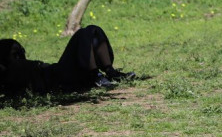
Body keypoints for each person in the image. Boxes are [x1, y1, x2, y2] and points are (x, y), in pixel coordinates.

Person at [0, 25, 133, 97]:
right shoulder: (9, 71)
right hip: (60, 77)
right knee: (84, 33)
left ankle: (110, 72)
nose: (21, 55)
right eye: (15, 53)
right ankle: (95, 75)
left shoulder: (19, 67)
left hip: (60, 73)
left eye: (21, 51)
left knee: (94, 31)